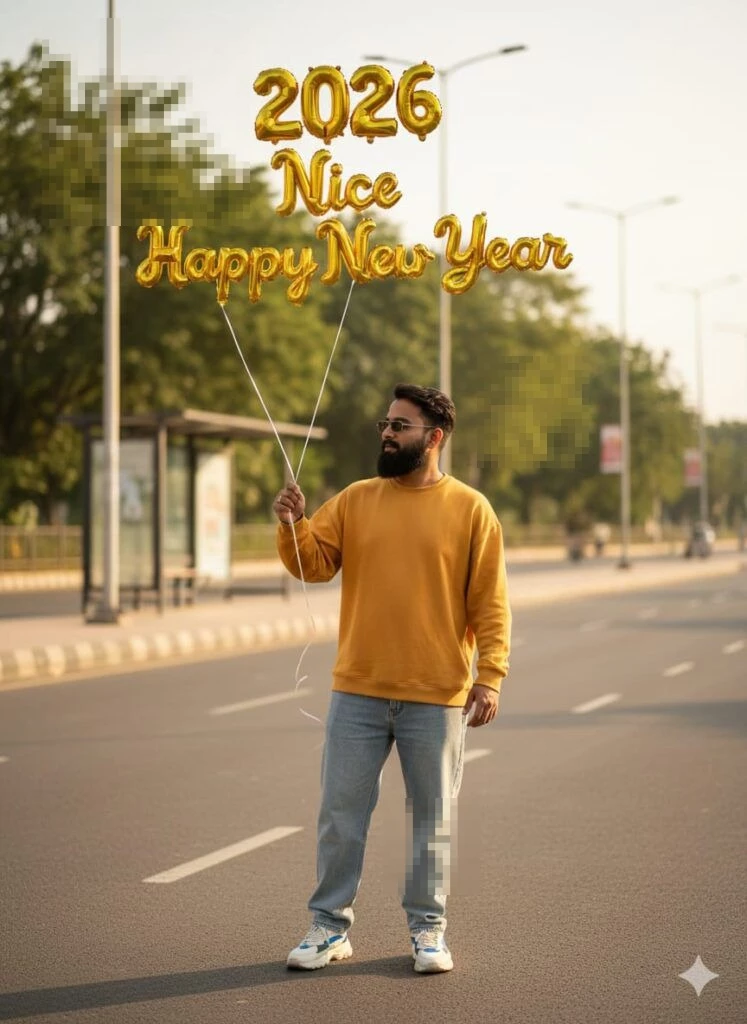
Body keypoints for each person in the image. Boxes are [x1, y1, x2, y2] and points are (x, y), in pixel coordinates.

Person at [273, 383, 511, 974]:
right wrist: (292, 525)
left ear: (434, 439)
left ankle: (428, 932)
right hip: (357, 689)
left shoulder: (471, 509)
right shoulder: (356, 499)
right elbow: (315, 564)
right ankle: (329, 928)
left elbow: (490, 603)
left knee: (432, 821)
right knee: (340, 815)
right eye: (386, 423)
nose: (386, 432)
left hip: (437, 696)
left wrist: (491, 676)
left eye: (400, 426)